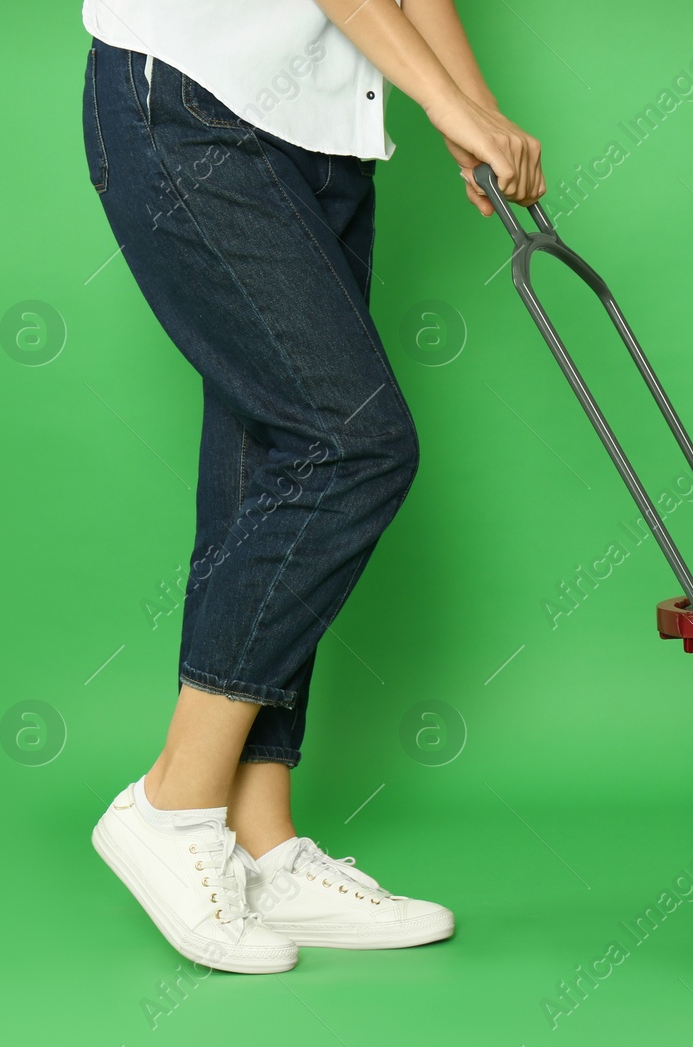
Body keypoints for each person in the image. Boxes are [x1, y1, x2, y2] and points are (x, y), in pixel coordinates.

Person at [81, 0, 544, 974]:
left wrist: (475, 113)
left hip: (322, 131)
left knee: (272, 451)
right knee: (351, 443)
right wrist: (446, 103)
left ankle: (260, 841)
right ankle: (172, 802)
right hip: (193, 99)